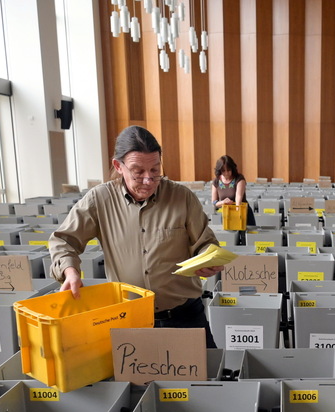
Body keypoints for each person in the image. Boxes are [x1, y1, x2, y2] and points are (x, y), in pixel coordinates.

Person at [48, 125, 222, 347]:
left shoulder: (182, 197)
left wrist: (208, 258)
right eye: (138, 172)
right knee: (136, 382)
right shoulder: (99, 200)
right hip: (129, 319)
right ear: (118, 166)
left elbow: (205, 242)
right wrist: (70, 272)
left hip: (184, 317)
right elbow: (63, 240)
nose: (148, 180)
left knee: (201, 380)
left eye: (155, 170)